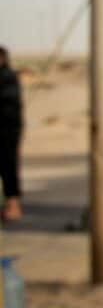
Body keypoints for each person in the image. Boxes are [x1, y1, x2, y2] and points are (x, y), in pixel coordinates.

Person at [0, 46, 22, 223]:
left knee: (8, 167)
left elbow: (9, 100)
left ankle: (13, 206)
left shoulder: (7, 77)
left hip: (7, 131)